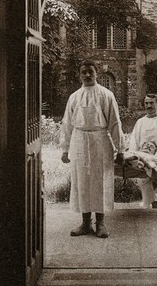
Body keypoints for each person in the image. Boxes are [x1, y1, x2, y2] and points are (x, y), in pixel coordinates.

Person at [60, 60, 125, 238]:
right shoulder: (74, 97)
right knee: (82, 181)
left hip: (100, 140)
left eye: (90, 72)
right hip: (79, 140)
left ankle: (101, 223)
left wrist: (120, 149)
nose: (87, 75)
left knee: (100, 181)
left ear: (96, 74)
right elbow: (67, 123)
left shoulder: (106, 95)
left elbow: (114, 122)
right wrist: (65, 149)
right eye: (84, 72)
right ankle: (85, 223)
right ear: (80, 75)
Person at [128, 94, 157, 208]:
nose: (149, 106)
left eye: (151, 103)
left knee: (150, 163)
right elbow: (134, 141)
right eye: (146, 103)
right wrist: (132, 156)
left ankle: (154, 201)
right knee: (143, 163)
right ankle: (152, 201)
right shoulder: (140, 122)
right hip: (142, 153)